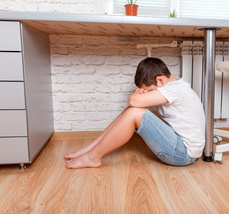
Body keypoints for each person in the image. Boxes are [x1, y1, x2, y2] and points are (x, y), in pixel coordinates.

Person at [65, 57, 205, 169]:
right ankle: (91, 149)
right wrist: (144, 95)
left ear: (160, 80)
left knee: (134, 113)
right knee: (132, 111)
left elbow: (133, 101)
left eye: (149, 90)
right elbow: (135, 104)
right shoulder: (174, 87)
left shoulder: (176, 89)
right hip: (179, 147)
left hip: (183, 154)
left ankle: (93, 157)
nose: (148, 93)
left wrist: (138, 95)